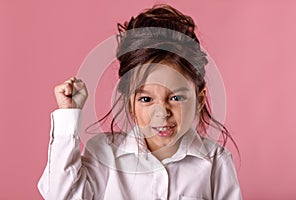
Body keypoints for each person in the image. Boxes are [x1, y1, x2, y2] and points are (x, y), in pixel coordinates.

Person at [38, 4, 242, 200]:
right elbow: (60, 195)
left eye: (176, 98)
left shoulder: (216, 161)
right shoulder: (105, 153)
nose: (161, 112)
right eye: (146, 99)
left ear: (199, 99)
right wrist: (68, 115)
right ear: (130, 104)